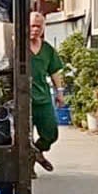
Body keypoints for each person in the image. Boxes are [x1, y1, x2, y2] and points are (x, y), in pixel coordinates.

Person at [30, 11, 65, 173]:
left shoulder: (47, 49)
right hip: (24, 99)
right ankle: (28, 168)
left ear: (43, 28)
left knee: (51, 133)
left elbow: (55, 71)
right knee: (24, 137)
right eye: (32, 26)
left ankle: (36, 152)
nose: (35, 29)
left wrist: (60, 92)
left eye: (38, 26)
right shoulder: (17, 47)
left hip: (42, 98)